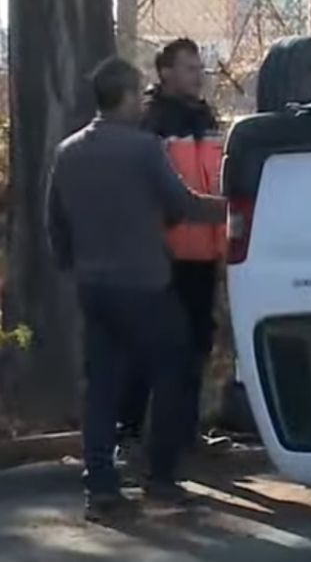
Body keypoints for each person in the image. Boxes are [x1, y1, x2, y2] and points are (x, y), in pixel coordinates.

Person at [46, 57, 226, 521]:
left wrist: (75, 265)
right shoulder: (144, 149)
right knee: (174, 368)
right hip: (144, 283)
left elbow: (56, 223)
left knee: (102, 385)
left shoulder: (68, 151)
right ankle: (161, 479)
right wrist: (234, 207)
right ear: (126, 97)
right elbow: (181, 204)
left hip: (94, 285)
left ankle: (101, 488)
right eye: (137, 93)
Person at [117, 38, 224, 457]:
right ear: (165, 73)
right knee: (150, 345)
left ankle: (184, 431)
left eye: (199, 67)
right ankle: (129, 433)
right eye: (189, 67)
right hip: (162, 255)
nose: (198, 74)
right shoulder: (153, 122)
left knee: (196, 343)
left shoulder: (205, 118)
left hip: (203, 254)